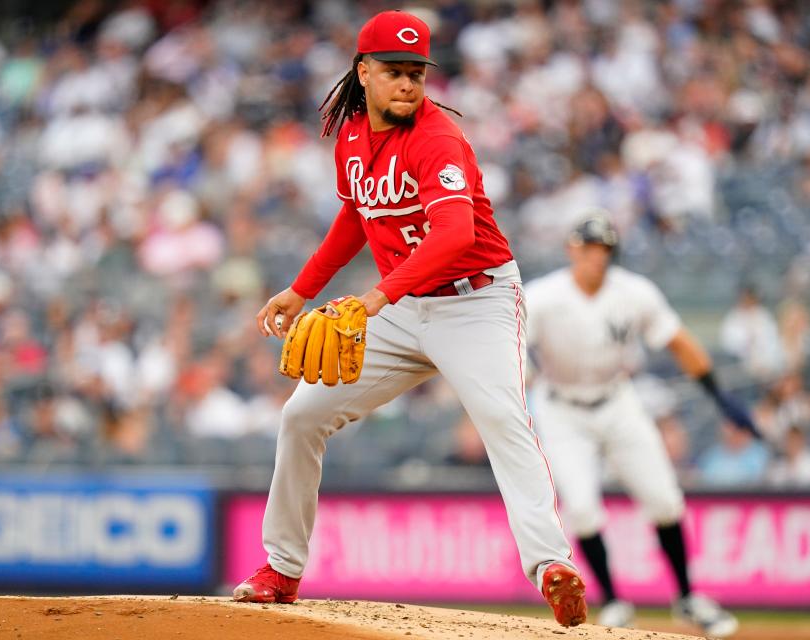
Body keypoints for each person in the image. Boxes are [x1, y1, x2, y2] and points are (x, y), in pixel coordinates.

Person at [231, 10, 586, 628]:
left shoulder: (436, 138)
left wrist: (371, 300)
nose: (407, 84)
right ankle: (281, 569)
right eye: (394, 71)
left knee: (503, 419)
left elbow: (454, 235)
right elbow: (355, 217)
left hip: (475, 302)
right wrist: (301, 288)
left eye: (416, 72)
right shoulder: (350, 136)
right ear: (362, 72)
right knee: (302, 414)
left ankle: (551, 564)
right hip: (404, 305)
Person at [525, 212, 753, 637]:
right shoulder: (543, 296)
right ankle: (613, 602)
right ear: (572, 249)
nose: (597, 257)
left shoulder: (633, 292)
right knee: (584, 510)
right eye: (590, 247)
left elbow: (679, 341)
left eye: (605, 249)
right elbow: (512, 348)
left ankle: (688, 597)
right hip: (561, 406)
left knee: (665, 499)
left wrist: (718, 394)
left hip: (617, 400)